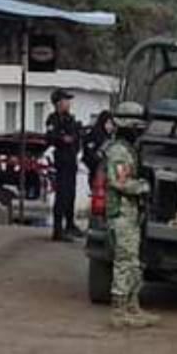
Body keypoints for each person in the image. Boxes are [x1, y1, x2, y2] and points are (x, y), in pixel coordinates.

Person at [102, 102, 161, 330]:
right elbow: (120, 182)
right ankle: (119, 311)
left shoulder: (127, 149)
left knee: (134, 264)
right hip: (122, 214)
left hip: (131, 213)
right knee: (124, 263)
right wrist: (144, 186)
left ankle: (132, 307)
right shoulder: (119, 151)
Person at [45, 88, 84, 241]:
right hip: (61, 160)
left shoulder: (71, 119)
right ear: (58, 103)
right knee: (61, 195)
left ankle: (70, 225)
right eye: (65, 100)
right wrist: (62, 139)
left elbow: (76, 137)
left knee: (71, 194)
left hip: (71, 160)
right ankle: (57, 229)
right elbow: (50, 137)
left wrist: (75, 139)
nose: (68, 103)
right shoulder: (53, 119)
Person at [82, 110, 115, 180]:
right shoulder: (95, 135)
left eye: (111, 123)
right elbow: (89, 153)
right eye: (107, 123)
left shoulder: (110, 137)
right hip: (97, 171)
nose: (110, 126)